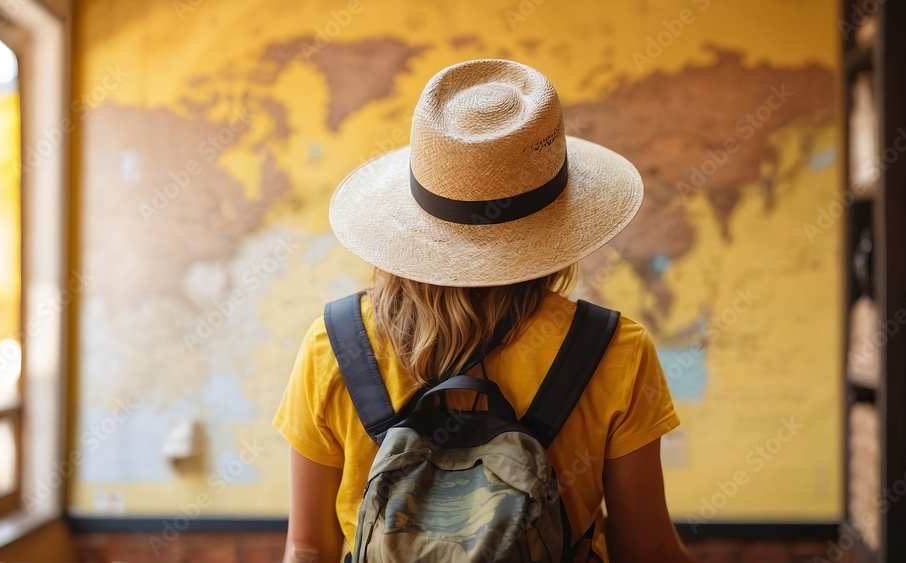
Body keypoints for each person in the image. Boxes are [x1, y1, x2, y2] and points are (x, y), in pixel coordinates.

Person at [273, 59, 694, 562]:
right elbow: (646, 551)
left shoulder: (334, 344)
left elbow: (307, 548)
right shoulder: (615, 350)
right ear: (560, 224)